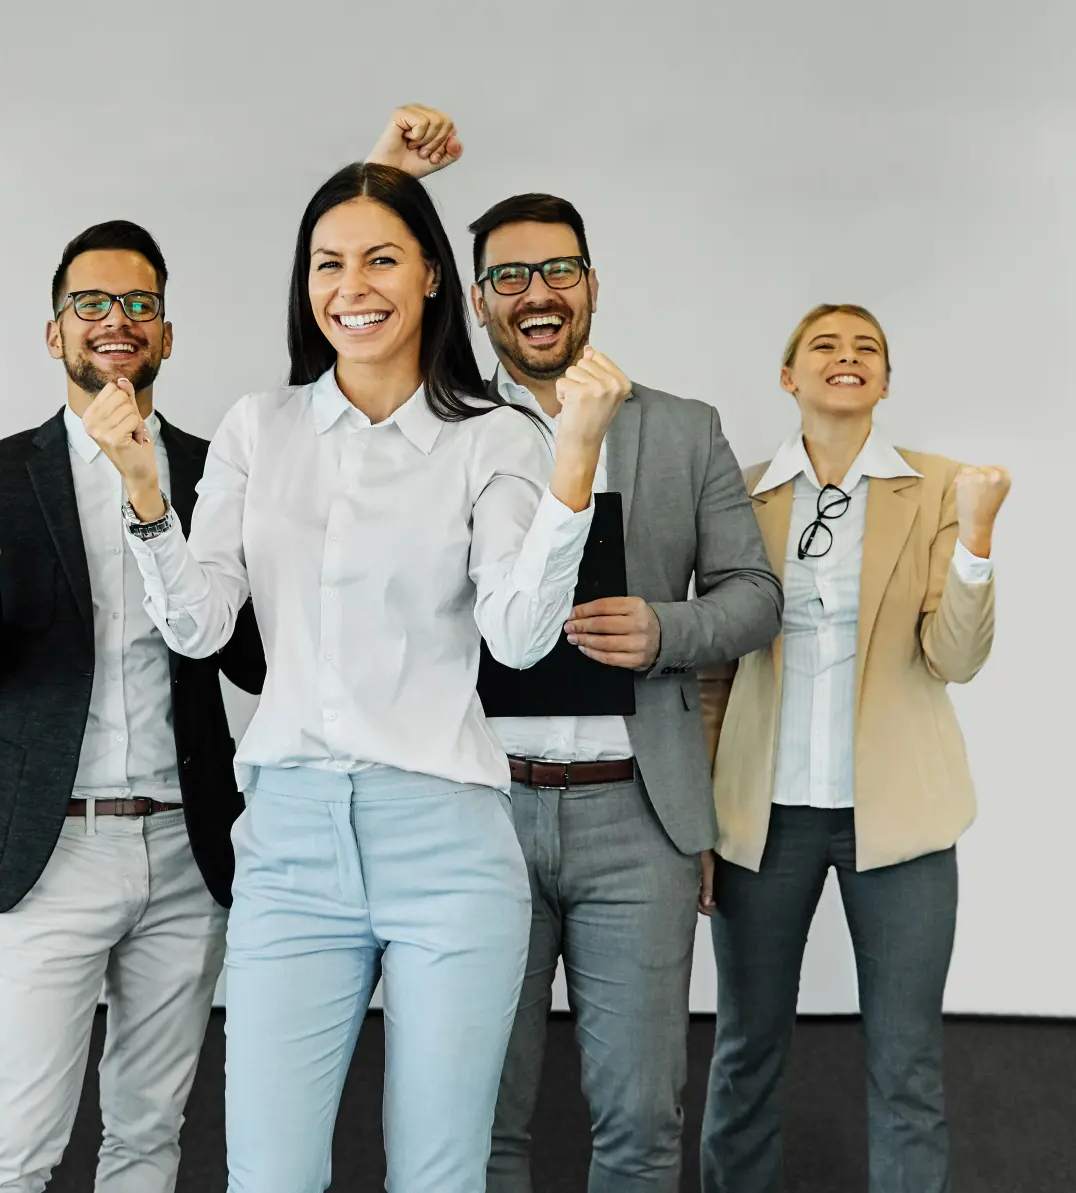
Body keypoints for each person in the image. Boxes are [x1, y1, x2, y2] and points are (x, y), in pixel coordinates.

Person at [83, 162, 621, 1193]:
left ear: (429, 277)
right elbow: (200, 628)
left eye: (381, 257)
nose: (352, 284)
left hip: (449, 841)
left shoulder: (495, 436)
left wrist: (574, 466)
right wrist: (148, 496)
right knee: (269, 1173)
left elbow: (517, 633)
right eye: (328, 263)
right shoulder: (259, 427)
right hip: (289, 838)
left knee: (437, 1172)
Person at [367, 107, 784, 1193]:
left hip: (634, 816)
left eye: (557, 271)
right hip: (472, 807)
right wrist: (385, 170)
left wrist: (665, 630)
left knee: (642, 1120)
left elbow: (754, 594)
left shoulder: (683, 428)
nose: (536, 294)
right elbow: (344, 298)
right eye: (508, 277)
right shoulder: (439, 426)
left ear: (592, 285)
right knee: (477, 1113)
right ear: (472, 298)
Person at [0, 220, 265, 1193]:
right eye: (92, 304)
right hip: (50, 852)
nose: (116, 320)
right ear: (54, 330)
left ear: (166, 331)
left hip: (187, 850)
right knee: (14, 1145)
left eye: (138, 304)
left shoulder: (214, 470)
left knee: (151, 1137)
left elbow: (251, 660)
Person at [698, 304, 1010, 1193]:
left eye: (867, 348)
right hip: (761, 819)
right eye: (825, 346)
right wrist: (699, 824)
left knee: (907, 1060)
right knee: (745, 1048)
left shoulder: (946, 488)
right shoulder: (742, 496)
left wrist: (978, 540)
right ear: (789, 377)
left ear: (885, 380)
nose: (848, 357)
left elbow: (956, 655)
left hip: (902, 823)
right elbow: (714, 672)